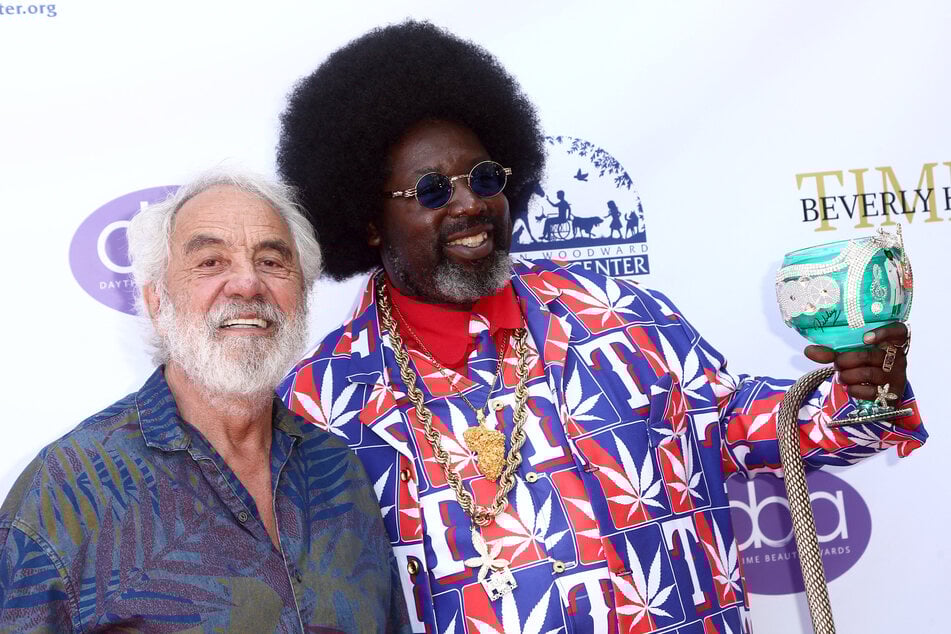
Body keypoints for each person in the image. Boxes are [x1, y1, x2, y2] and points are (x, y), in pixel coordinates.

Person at [276, 21, 926, 633]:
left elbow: (749, 429)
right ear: (365, 219)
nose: (470, 203)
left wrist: (863, 389)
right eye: (430, 190)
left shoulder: (615, 311)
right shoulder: (321, 406)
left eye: (481, 178)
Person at [0, 170, 410, 632]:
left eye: (272, 261)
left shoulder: (338, 471)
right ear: (157, 302)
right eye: (211, 262)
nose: (248, 285)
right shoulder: (68, 490)